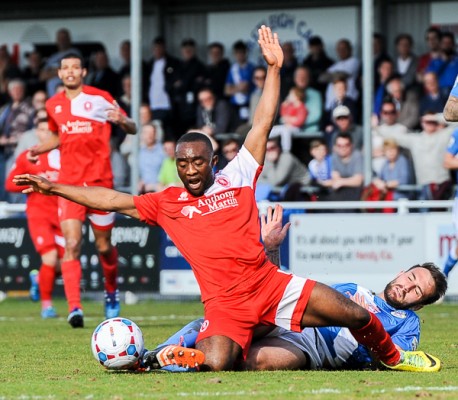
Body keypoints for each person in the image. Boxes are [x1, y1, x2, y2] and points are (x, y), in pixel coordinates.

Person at [15, 26, 439, 373]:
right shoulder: (167, 202)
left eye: (197, 162)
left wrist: (274, 70)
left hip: (272, 286)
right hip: (226, 306)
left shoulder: (237, 176)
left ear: (213, 161)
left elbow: (263, 121)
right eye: (182, 163)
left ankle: (398, 359)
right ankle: (163, 359)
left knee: (356, 313)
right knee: (219, 361)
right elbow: (109, 198)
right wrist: (53, 186)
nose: (190, 169)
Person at [144, 205, 446, 372]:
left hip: (312, 351)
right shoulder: (353, 289)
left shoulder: (408, 323)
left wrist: (365, 335)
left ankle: (172, 363)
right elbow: (280, 289)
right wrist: (271, 249)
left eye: (418, 290)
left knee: (253, 361)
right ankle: (150, 357)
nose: (408, 287)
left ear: (418, 304)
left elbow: (392, 359)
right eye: (412, 277)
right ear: (401, 272)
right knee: (223, 325)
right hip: (291, 322)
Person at [27, 53, 136, 328]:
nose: (70, 71)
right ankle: (75, 307)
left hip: (100, 183)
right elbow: (58, 135)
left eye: (75, 67)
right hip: (69, 185)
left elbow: (132, 126)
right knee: (72, 244)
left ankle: (111, 291)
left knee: (103, 246)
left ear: (84, 71)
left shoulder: (100, 97)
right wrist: (38, 149)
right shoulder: (53, 104)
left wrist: (122, 122)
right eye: (65, 68)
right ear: (60, 74)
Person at [5, 118, 63, 319]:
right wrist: (34, 185)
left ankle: (39, 280)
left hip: (62, 214)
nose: (45, 133)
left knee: (63, 264)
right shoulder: (28, 156)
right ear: (36, 132)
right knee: (50, 257)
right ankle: (46, 306)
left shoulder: (63, 155)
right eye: (41, 129)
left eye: (49, 130)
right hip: (39, 214)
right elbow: (10, 184)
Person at [269, 86, 308, 152]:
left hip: (296, 128)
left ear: (297, 96)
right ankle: (264, 138)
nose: (289, 96)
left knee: (285, 131)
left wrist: (290, 120)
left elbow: (300, 121)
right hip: (286, 126)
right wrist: (284, 106)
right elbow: (284, 116)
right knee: (274, 129)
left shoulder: (302, 107)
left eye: (291, 94)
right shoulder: (290, 106)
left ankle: (286, 150)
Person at [138, 124, 165, 194]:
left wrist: (154, 186)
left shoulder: (163, 151)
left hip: (159, 191)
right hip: (142, 191)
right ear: (142, 135)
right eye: (146, 133)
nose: (149, 135)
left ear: (156, 134)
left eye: (152, 132)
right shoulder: (138, 151)